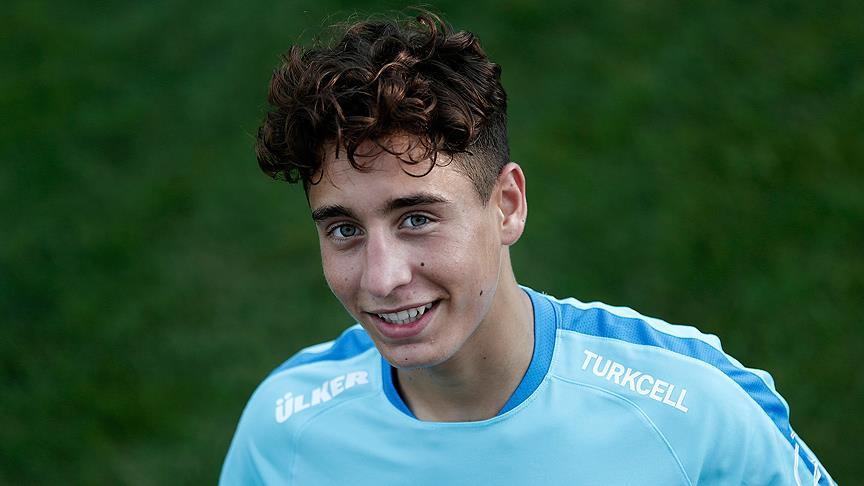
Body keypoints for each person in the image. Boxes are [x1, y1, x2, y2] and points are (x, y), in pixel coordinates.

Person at [220, 11, 835, 485]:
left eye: (417, 219)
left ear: (507, 205)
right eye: (344, 230)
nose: (382, 279)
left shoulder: (691, 408)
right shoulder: (285, 427)